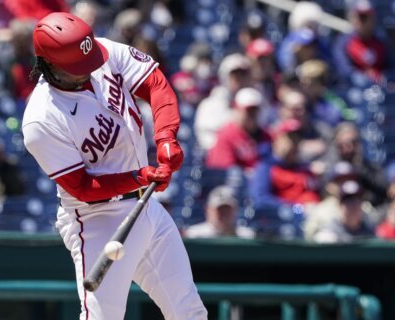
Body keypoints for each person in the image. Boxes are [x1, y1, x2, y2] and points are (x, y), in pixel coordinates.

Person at [22, 13, 207, 320]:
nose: (89, 69)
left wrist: (165, 137)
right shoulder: (42, 117)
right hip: (98, 219)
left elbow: (156, 84)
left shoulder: (101, 51)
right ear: (48, 63)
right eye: (77, 67)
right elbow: (82, 187)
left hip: (147, 207)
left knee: (189, 311)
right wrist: (138, 177)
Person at [205, 87, 272, 172]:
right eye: (248, 111)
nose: (252, 115)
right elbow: (224, 172)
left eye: (255, 111)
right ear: (237, 109)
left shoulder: (267, 136)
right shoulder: (226, 135)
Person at [184, 185, 254, 238]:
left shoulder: (246, 236)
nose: (223, 214)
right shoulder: (195, 235)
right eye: (220, 209)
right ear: (208, 210)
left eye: (227, 209)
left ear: (235, 211)